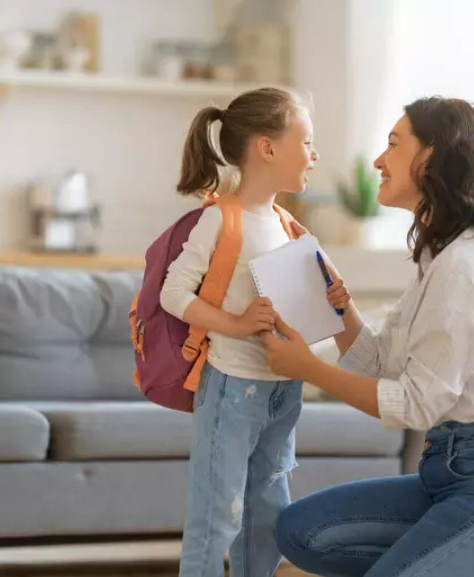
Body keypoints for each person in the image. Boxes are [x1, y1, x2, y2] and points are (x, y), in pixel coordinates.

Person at [261, 96, 474, 577]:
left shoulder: (467, 265)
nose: (379, 160)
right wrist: (338, 309)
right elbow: (377, 362)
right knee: (302, 530)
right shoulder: (438, 260)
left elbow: (416, 405)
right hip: (448, 473)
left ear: (434, 158)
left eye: (393, 144)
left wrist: (307, 368)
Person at [160, 87, 318, 577]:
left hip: (282, 391)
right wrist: (237, 323)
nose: (315, 154)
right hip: (231, 388)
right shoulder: (220, 218)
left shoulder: (289, 226)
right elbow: (174, 294)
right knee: (216, 516)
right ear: (267, 148)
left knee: (268, 516)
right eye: (307, 141)